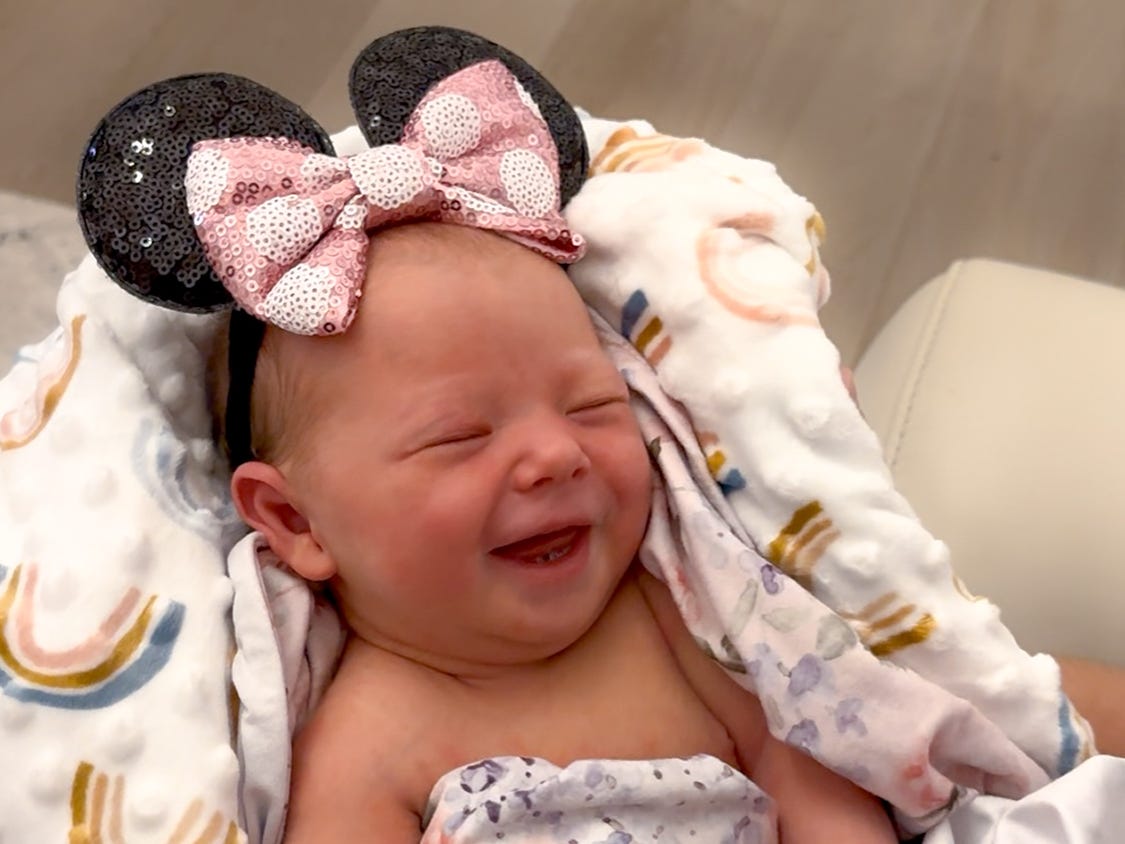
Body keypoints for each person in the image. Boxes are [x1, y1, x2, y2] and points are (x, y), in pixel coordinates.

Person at [223, 220, 901, 842]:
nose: (556, 454)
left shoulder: (678, 612)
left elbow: (805, 769)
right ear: (297, 522)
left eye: (592, 406)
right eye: (460, 437)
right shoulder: (361, 751)